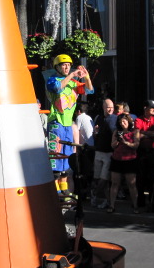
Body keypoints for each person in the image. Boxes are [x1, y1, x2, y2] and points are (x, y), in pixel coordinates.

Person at [46, 54, 94, 197]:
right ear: (57, 67)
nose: (67, 67)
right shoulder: (52, 80)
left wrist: (87, 77)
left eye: (68, 65)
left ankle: (64, 189)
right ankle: (55, 191)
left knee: (67, 159)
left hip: (68, 124)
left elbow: (90, 90)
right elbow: (57, 88)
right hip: (56, 122)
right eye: (63, 65)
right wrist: (72, 74)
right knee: (56, 157)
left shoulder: (73, 83)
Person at [109, 113, 140, 213]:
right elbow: (112, 145)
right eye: (120, 122)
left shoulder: (135, 131)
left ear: (128, 121)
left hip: (130, 160)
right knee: (115, 183)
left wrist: (125, 142)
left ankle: (135, 206)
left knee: (131, 184)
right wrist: (118, 141)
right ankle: (112, 205)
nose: (122, 124)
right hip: (117, 159)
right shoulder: (116, 132)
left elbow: (136, 145)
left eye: (124, 121)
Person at [134, 99, 154, 207]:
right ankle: (140, 200)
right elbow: (137, 136)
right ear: (145, 108)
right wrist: (150, 134)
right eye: (152, 108)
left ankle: (151, 199)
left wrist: (144, 133)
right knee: (140, 176)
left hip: (152, 151)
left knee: (152, 176)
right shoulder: (138, 120)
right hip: (141, 151)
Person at [91, 99, 115, 207]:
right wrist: (95, 133)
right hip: (98, 150)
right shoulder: (98, 118)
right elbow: (95, 135)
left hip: (109, 152)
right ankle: (104, 200)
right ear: (103, 107)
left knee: (104, 178)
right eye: (108, 107)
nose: (110, 109)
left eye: (112, 107)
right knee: (97, 177)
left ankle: (95, 193)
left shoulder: (115, 118)